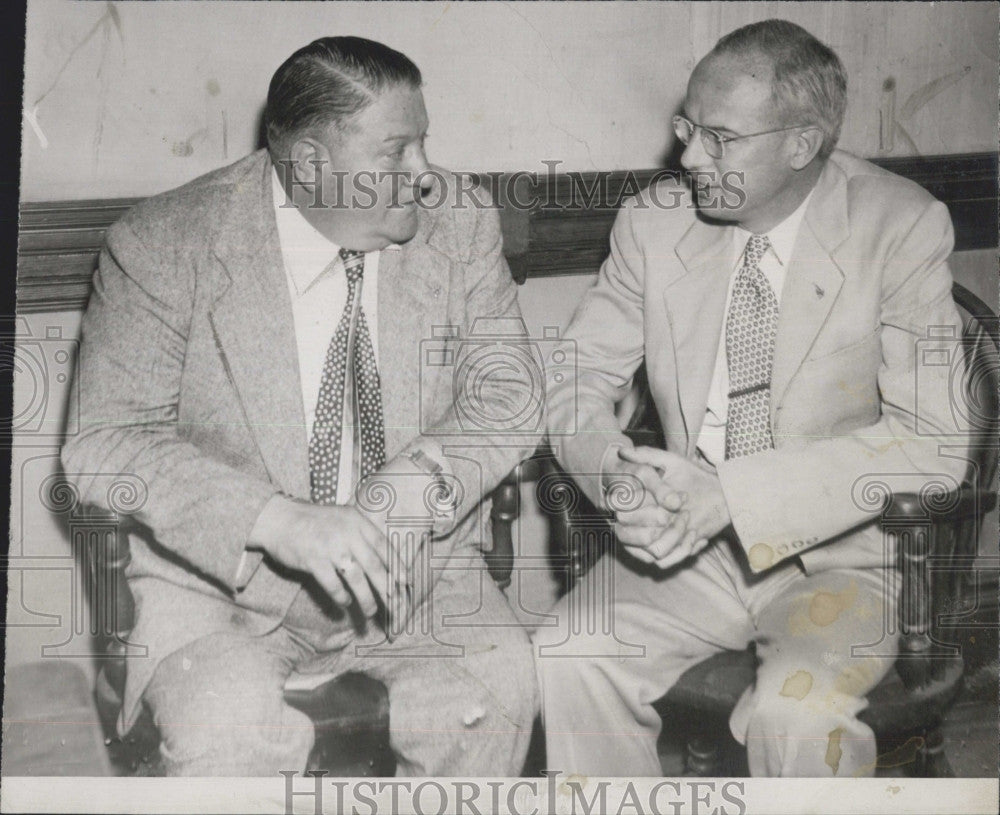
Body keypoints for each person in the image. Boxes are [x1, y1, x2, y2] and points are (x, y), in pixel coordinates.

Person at [61, 36, 538, 776]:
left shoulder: (460, 222)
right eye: (396, 153)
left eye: (424, 145)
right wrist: (278, 521)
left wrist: (417, 480)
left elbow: (510, 394)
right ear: (313, 164)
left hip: (423, 576)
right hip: (218, 589)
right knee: (228, 729)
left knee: (498, 688)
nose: (424, 176)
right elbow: (105, 443)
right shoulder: (166, 243)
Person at [538, 19, 969, 777]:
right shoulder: (653, 222)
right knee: (569, 651)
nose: (686, 155)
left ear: (800, 145)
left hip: (843, 560)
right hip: (686, 548)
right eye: (686, 126)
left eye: (719, 137)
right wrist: (617, 475)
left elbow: (934, 442)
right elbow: (572, 380)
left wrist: (733, 495)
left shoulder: (898, 225)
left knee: (795, 708)